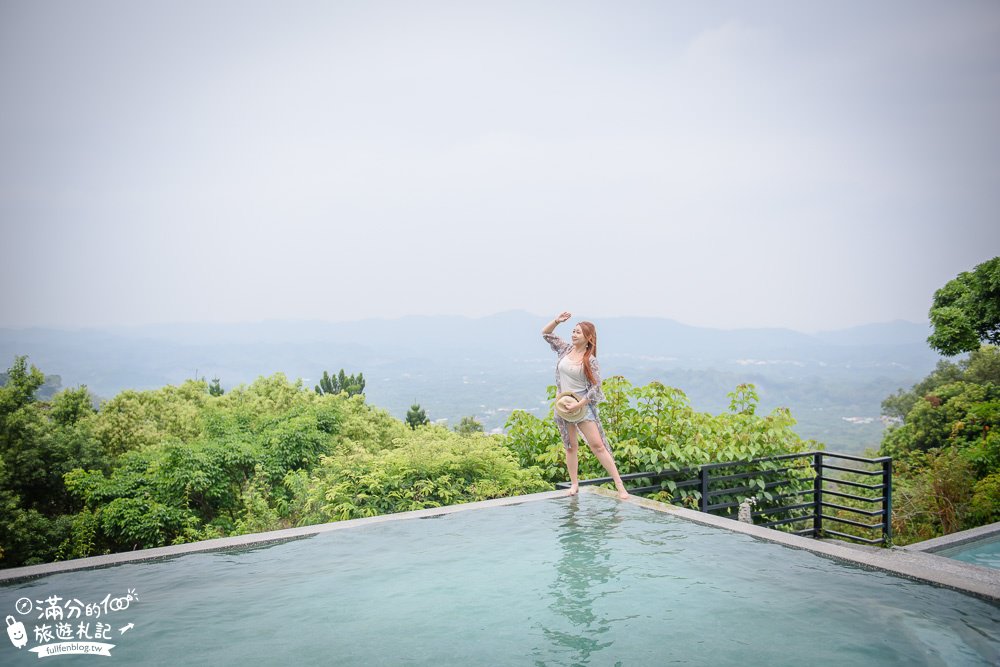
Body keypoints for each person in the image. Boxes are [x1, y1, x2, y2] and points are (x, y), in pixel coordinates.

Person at [542, 311, 629, 499]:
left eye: (578, 332)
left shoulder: (590, 360)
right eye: (573, 331)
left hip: (582, 407)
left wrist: (580, 404)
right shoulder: (564, 349)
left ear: (588, 338)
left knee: (597, 445)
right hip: (563, 405)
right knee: (570, 446)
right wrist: (557, 321)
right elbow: (546, 334)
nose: (573, 334)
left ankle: (619, 485)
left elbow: (596, 387)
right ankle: (574, 484)